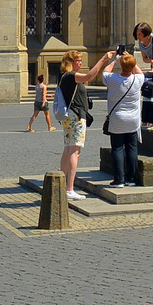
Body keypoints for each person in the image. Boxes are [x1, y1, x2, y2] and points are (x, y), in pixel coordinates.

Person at [55, 49, 114, 200]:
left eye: (81, 60)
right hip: (76, 117)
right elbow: (89, 76)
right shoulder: (70, 76)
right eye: (77, 61)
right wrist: (103, 60)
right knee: (75, 151)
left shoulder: (64, 76)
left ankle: (63, 185)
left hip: (69, 117)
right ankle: (69, 188)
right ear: (70, 62)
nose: (80, 63)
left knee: (68, 150)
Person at [102, 52, 145, 187]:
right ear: (132, 66)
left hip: (117, 118)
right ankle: (131, 178)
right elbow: (139, 71)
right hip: (133, 119)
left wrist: (115, 60)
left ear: (121, 66)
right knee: (132, 148)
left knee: (117, 148)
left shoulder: (113, 79)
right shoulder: (138, 79)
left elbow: (105, 71)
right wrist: (132, 62)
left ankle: (119, 179)